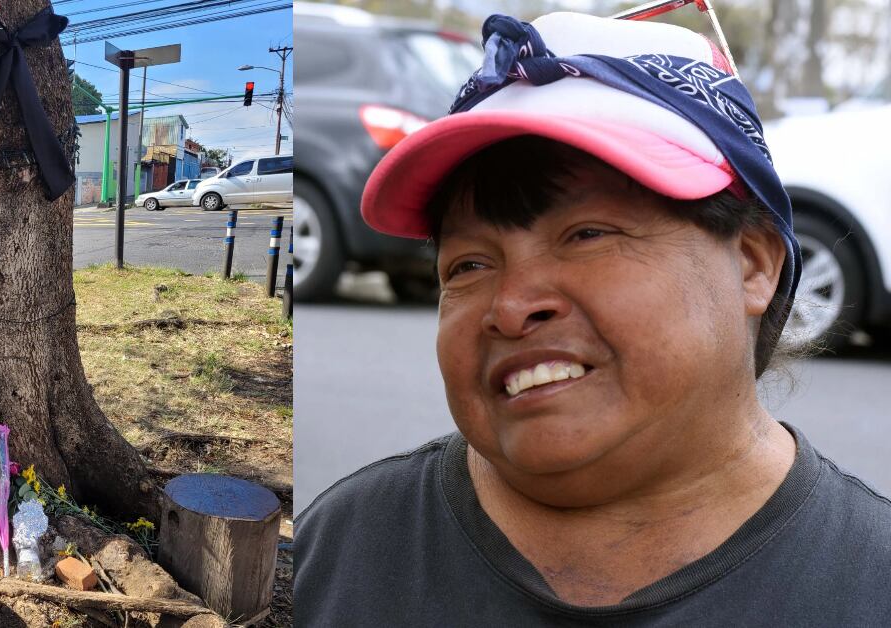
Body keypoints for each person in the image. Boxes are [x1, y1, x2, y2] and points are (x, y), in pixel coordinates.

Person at [294, 11, 891, 627]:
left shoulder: (868, 586)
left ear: (752, 264)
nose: (511, 306)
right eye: (469, 265)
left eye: (587, 234)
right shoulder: (342, 553)